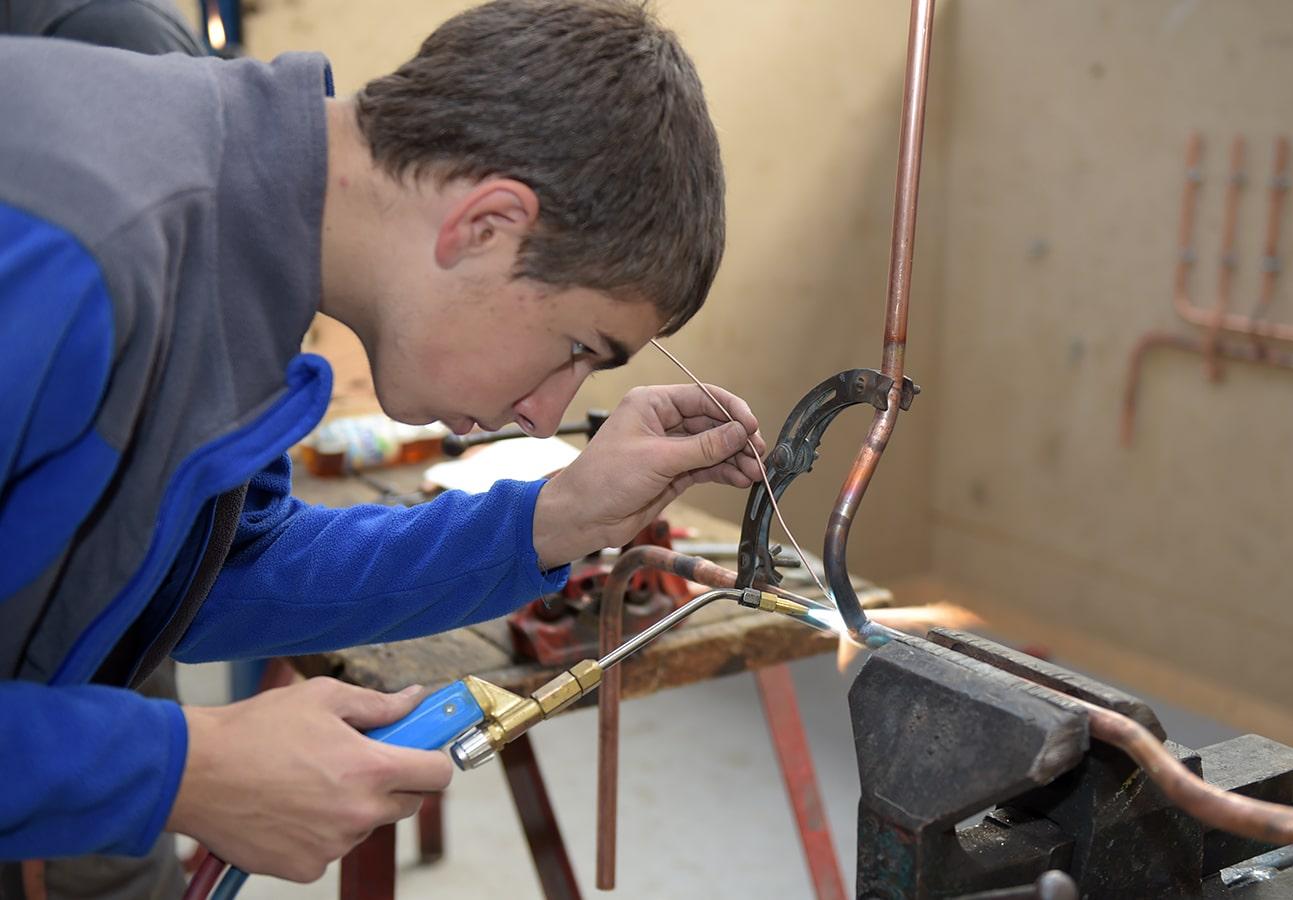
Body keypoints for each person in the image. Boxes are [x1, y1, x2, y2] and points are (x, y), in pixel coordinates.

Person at [0, 0, 764, 887]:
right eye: (577, 349)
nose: (545, 415)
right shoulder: (75, 240)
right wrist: (182, 769)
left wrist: (558, 518)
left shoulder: (233, 248)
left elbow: (204, 582)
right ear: (486, 226)